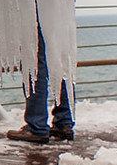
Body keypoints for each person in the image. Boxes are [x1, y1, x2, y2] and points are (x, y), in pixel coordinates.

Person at [7, 7, 74, 144]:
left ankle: (36, 126)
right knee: (60, 58)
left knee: (35, 60)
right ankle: (64, 122)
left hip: (37, 1)